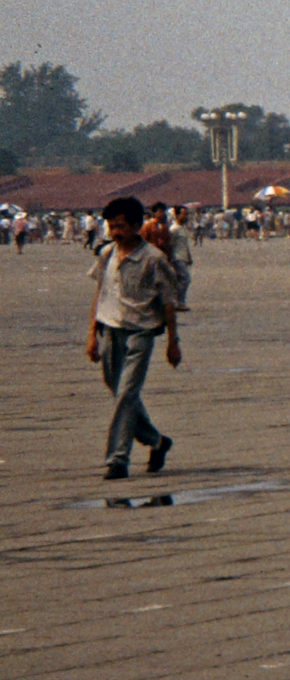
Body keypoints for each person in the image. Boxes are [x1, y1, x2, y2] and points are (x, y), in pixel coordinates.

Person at [87, 197, 183, 481]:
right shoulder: (106, 254)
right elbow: (99, 295)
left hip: (140, 333)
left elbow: (168, 303)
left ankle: (118, 458)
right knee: (119, 392)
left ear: (136, 226)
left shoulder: (154, 259)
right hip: (109, 330)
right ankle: (157, 441)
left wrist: (173, 342)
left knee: (127, 394)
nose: (116, 232)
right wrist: (91, 335)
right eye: (112, 226)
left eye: (121, 226)